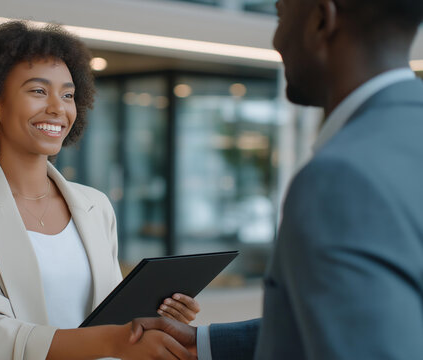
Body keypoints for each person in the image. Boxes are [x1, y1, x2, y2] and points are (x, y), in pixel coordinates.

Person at [130, 0, 423, 359]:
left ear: (321, 20)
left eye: (282, 16)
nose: (276, 40)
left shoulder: (341, 177)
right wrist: (204, 344)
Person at [0, 21, 201, 360]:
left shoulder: (94, 205)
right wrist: (113, 340)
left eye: (67, 95)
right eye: (38, 91)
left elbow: (109, 316)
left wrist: (154, 318)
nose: (58, 107)